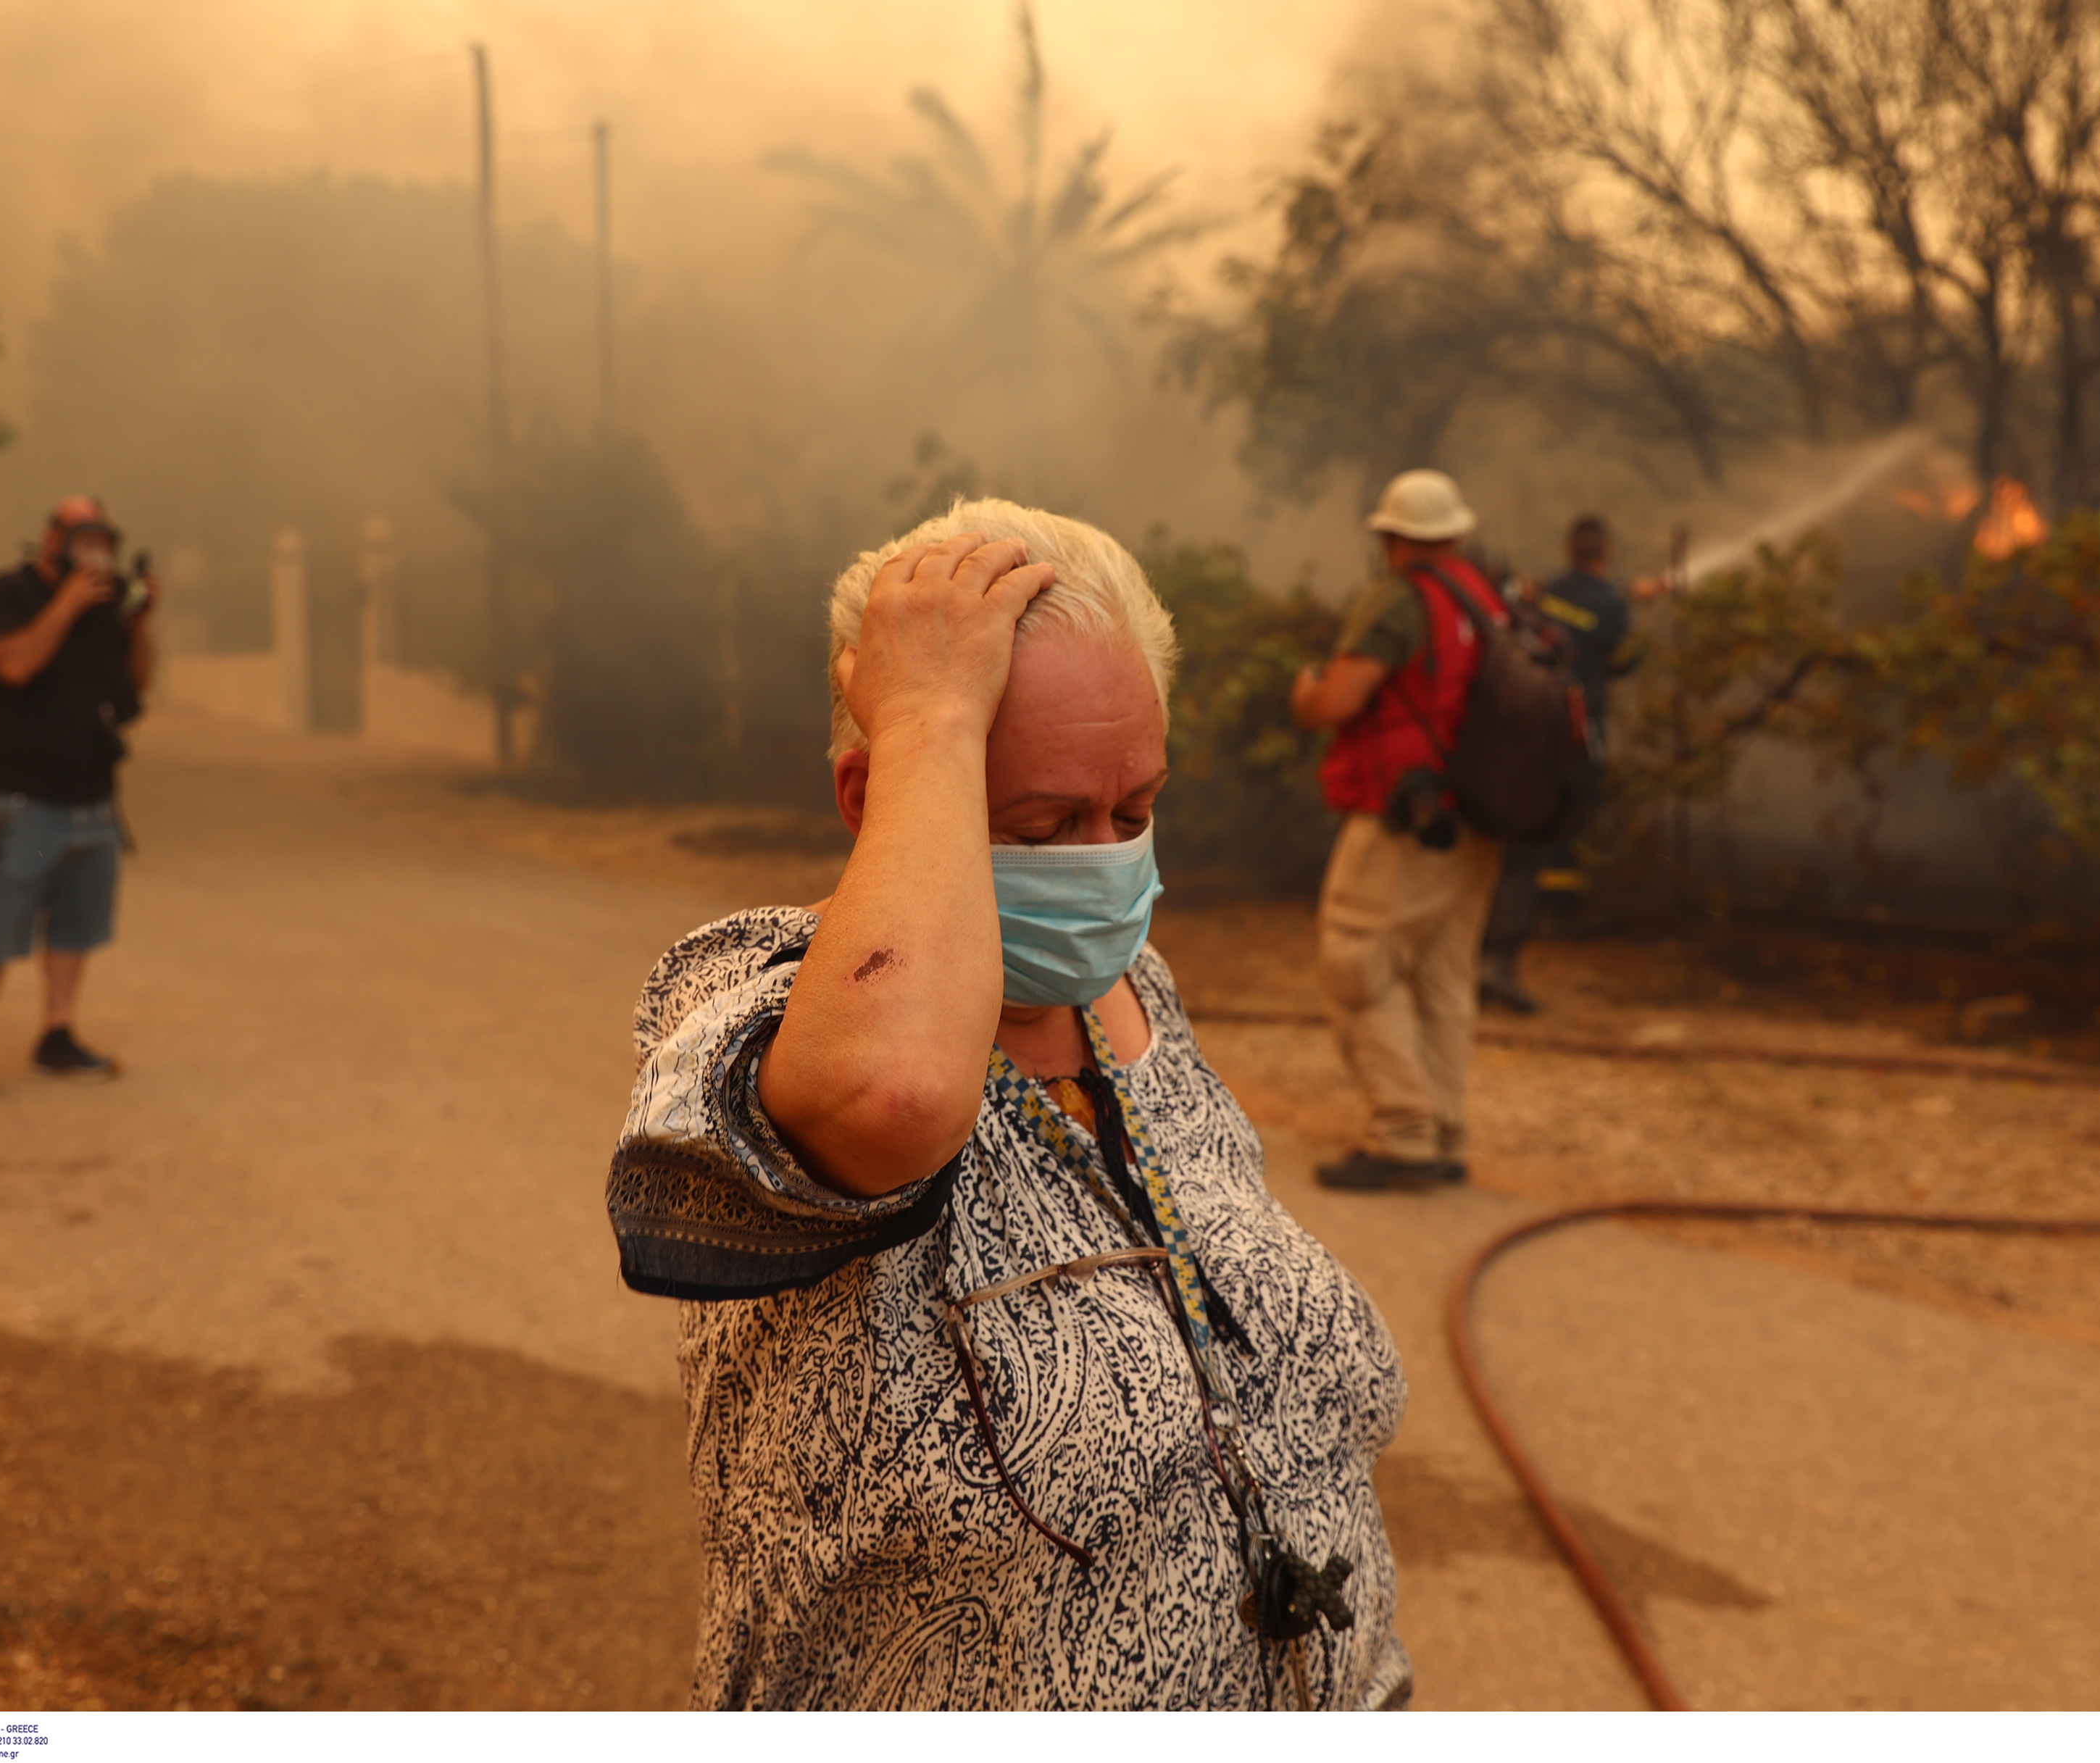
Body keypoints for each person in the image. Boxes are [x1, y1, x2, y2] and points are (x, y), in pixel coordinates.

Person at [605, 500, 1412, 1710]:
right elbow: (892, 1094)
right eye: (1042, 826)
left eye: (1132, 812)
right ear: (873, 794)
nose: (1103, 860)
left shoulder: (1133, 997)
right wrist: (930, 709)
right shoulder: (755, 1006)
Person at [1288, 470, 1509, 1191]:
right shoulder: (1485, 597)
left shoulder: (1401, 600)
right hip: (1477, 816)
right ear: (1456, 533)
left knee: (1357, 956)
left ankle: (1403, 1133)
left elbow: (1340, 700)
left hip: (1409, 818)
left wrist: (1307, 693)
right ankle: (1445, 1128)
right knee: (1445, 976)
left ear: (1391, 538)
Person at [0, 496, 159, 1105]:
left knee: (76, 924)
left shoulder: (104, 611)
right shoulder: (7, 594)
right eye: (83, 539)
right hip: (21, 793)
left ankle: (57, 1032)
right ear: (51, 542)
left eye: (104, 542)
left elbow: (135, 686)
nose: (96, 553)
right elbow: (12, 665)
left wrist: (138, 621)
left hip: (93, 793)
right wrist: (65, 604)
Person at [1477, 514, 1640, 1014]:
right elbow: (1621, 654)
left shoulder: (1540, 593)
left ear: (1571, 547)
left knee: (1509, 844)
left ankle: (1495, 951)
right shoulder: (1611, 604)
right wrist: (1629, 608)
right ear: (1605, 551)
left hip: (1515, 734)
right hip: (1570, 733)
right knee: (1548, 832)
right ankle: (1517, 943)